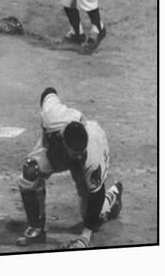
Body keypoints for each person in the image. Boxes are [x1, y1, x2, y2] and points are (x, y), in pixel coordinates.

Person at [16, 87, 123, 249]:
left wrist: (85, 238)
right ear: (63, 142)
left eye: (81, 153)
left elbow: (96, 194)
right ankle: (37, 228)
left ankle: (113, 196)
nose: (79, 156)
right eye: (76, 153)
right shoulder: (52, 117)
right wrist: (45, 138)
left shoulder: (91, 154)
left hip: (87, 155)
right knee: (31, 170)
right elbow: (48, 92)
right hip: (56, 150)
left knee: (91, 214)